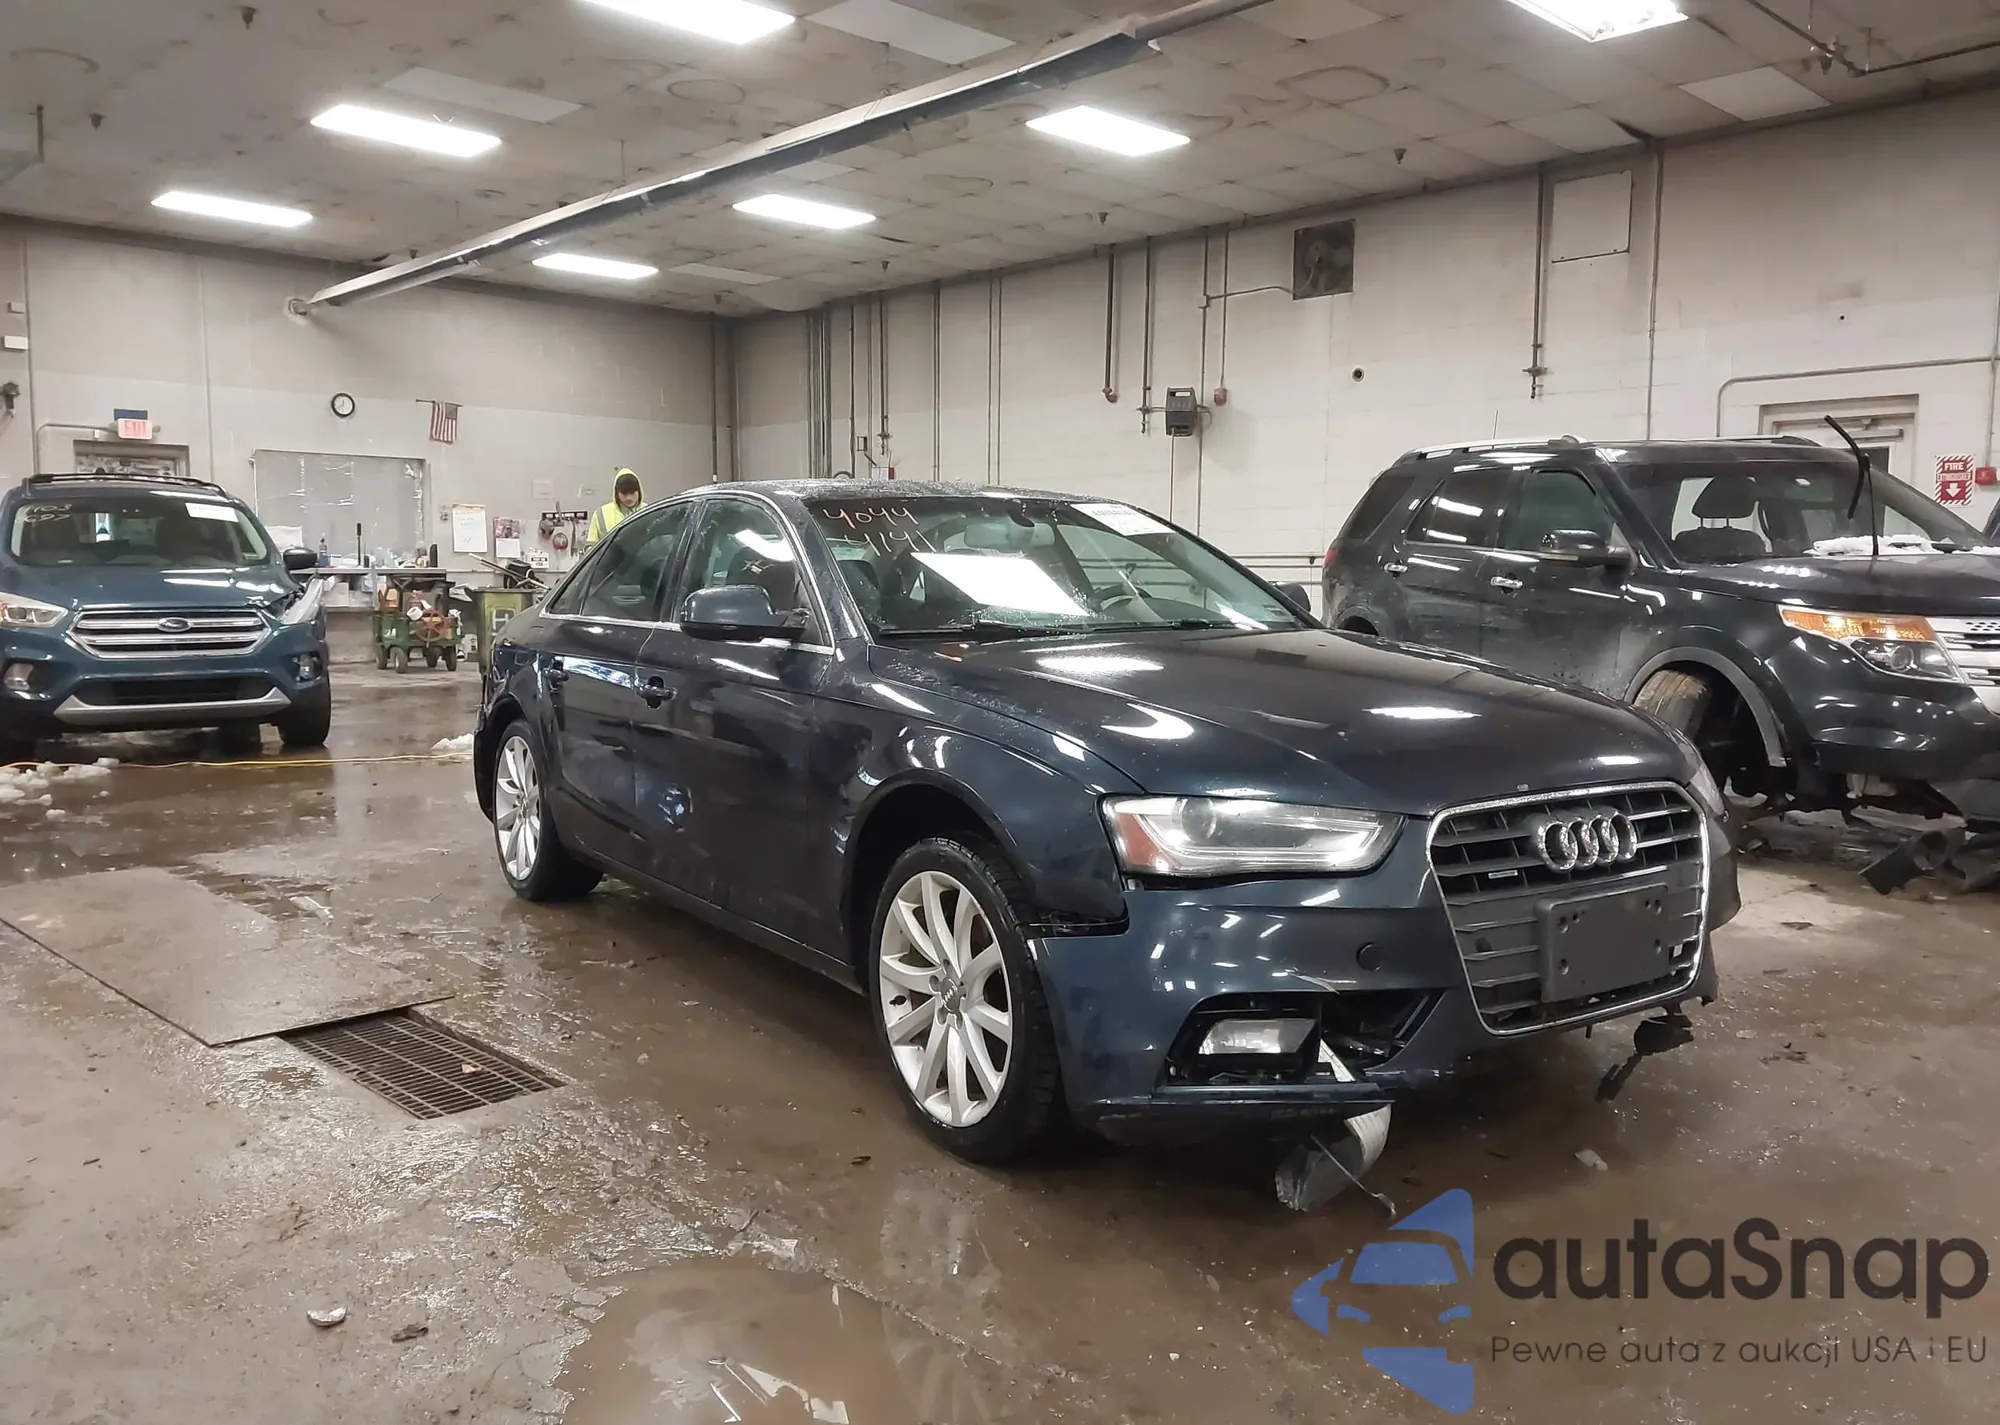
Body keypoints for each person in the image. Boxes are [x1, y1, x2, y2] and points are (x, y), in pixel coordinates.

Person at [586, 469, 644, 544]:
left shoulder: (649, 511)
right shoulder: (601, 514)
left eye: (632, 493)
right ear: (617, 493)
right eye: (624, 493)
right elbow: (591, 545)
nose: (628, 498)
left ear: (639, 491)